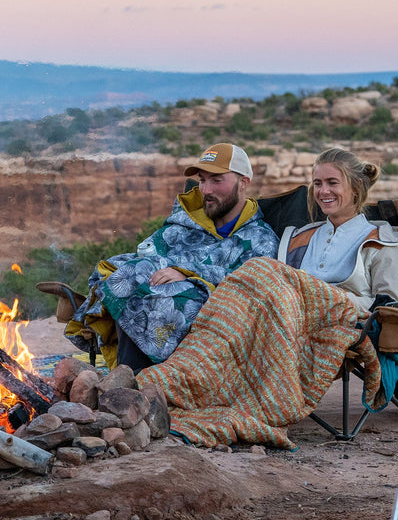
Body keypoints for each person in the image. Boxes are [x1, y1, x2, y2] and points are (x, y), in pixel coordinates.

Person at [65, 142, 279, 369]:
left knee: (155, 294)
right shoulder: (188, 221)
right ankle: (126, 372)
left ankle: (137, 375)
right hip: (156, 282)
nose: (206, 190)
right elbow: (153, 250)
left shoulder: (259, 238)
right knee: (126, 274)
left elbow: (252, 283)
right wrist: (160, 266)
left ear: (243, 182)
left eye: (217, 180)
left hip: (210, 307)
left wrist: (188, 274)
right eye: (203, 180)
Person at [278, 147, 398, 313]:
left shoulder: (379, 240)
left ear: (356, 187)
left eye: (332, 182)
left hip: (350, 331)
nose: (323, 191)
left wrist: (334, 298)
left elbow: (389, 308)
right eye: (318, 184)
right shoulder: (300, 238)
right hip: (291, 323)